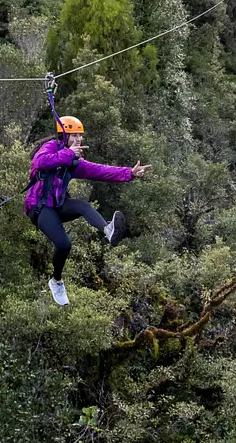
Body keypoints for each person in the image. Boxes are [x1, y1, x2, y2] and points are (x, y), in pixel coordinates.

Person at [25, 116, 152, 305]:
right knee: (64, 245)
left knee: (83, 205)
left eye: (80, 136)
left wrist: (129, 173)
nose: (78, 139)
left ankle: (108, 230)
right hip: (40, 208)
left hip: (59, 205)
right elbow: (40, 162)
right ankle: (56, 281)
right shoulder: (52, 147)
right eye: (74, 135)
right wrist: (68, 153)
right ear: (64, 135)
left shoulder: (74, 162)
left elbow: (100, 171)